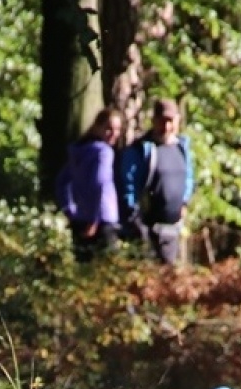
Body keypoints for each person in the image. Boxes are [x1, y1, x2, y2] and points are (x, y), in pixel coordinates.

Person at [118, 98, 195, 266]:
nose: (166, 127)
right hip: (147, 230)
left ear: (177, 121)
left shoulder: (182, 148)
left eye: (170, 121)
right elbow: (127, 185)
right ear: (154, 121)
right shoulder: (141, 150)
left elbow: (188, 178)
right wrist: (135, 221)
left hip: (173, 229)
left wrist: (184, 202)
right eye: (162, 121)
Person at [55, 107, 124, 263]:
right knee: (109, 272)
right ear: (97, 127)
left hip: (80, 219)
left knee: (84, 272)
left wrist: (68, 209)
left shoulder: (78, 151)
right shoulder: (104, 152)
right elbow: (99, 182)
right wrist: (94, 219)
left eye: (117, 129)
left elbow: (61, 182)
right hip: (102, 220)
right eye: (108, 128)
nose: (114, 134)